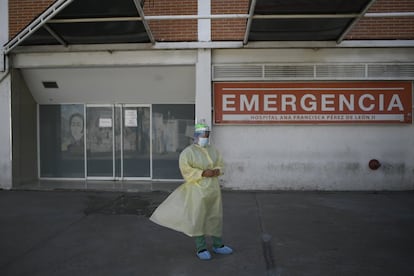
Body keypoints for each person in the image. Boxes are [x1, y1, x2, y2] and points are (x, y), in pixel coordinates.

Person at [150, 122, 233, 260]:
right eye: (203, 135)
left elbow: (221, 164)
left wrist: (217, 171)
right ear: (196, 136)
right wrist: (202, 173)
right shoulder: (188, 153)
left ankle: (218, 245)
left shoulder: (213, 150)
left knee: (215, 217)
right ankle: (201, 248)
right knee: (198, 218)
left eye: (207, 134)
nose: (205, 137)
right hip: (197, 192)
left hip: (213, 191)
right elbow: (186, 170)